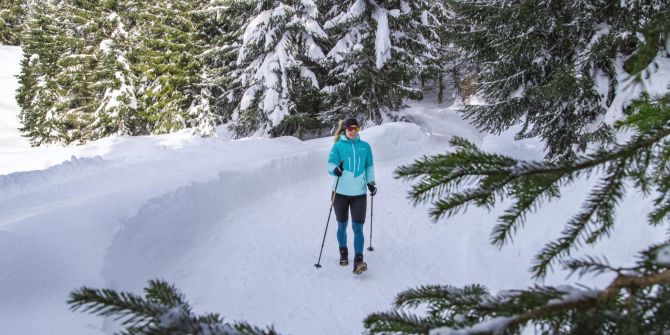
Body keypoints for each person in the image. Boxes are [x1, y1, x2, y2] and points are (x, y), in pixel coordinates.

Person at [327, 117, 377, 274]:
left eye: (356, 128)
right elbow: (330, 164)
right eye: (350, 129)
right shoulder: (338, 147)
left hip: (359, 194)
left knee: (357, 227)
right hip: (340, 193)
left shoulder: (365, 147)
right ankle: (343, 252)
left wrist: (371, 182)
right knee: (342, 225)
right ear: (345, 130)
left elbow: (369, 166)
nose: (353, 131)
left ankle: (358, 260)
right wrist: (335, 169)